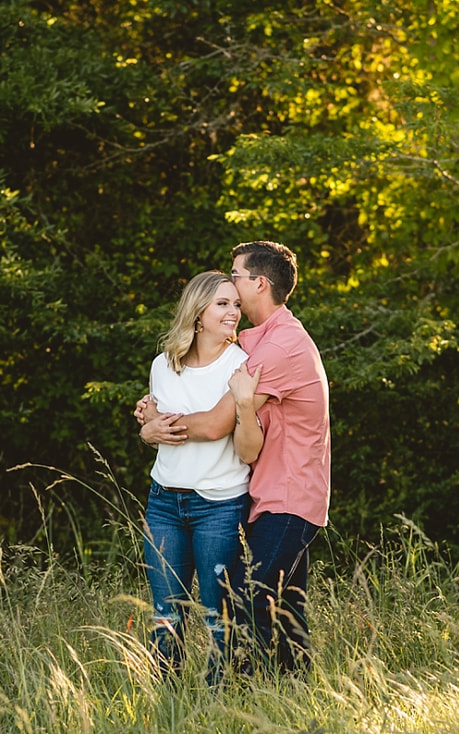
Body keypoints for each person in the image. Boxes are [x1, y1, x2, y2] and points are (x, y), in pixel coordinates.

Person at [140, 241, 331, 678]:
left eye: (236, 279)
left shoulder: (275, 349)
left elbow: (213, 425)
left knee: (250, 599)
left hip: (287, 495)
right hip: (269, 490)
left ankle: (238, 693)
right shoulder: (256, 338)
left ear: (258, 283)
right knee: (286, 606)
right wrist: (150, 411)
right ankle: (294, 692)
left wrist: (156, 427)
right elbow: (194, 382)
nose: (232, 296)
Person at [135, 270, 251, 685]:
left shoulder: (241, 365)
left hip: (219, 505)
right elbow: (157, 425)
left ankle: (220, 700)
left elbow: (215, 426)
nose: (233, 312)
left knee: (218, 613)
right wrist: (149, 426)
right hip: (164, 501)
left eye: (236, 304)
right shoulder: (163, 365)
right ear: (197, 312)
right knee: (166, 614)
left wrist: (158, 424)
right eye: (223, 303)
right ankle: (167, 702)